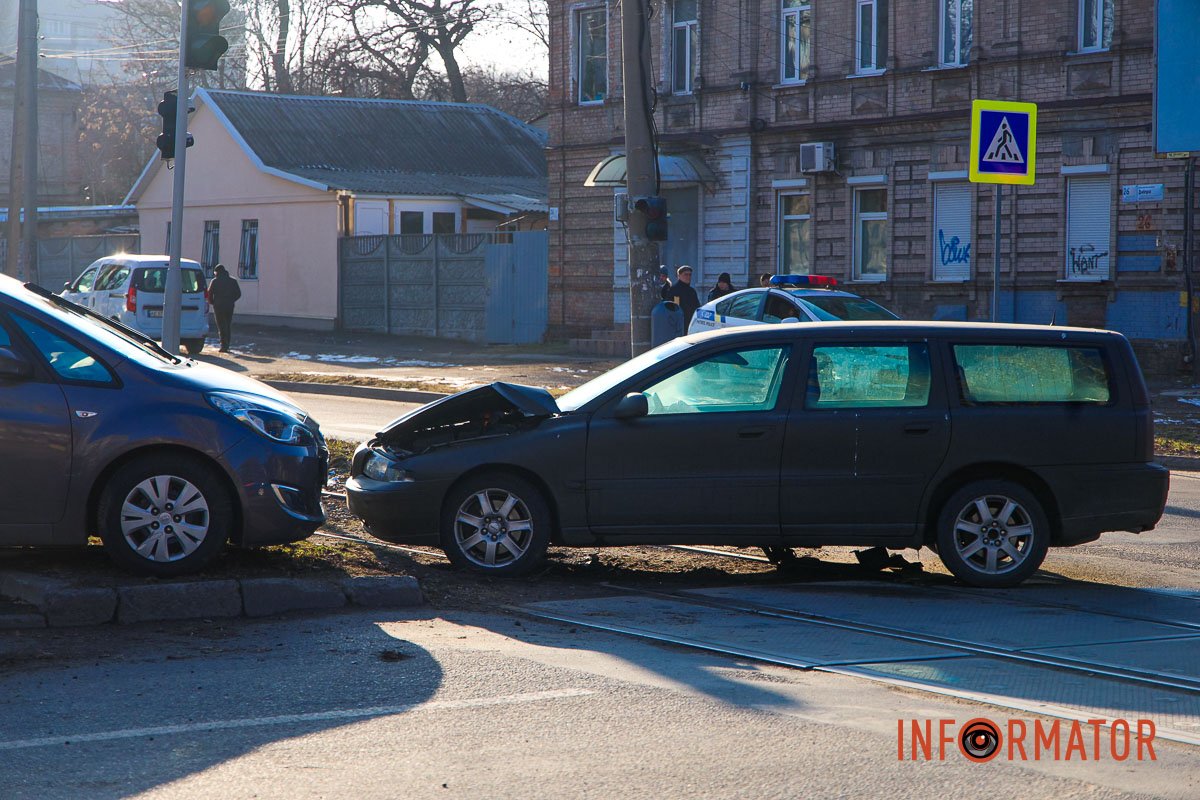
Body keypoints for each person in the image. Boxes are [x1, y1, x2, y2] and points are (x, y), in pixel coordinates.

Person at [208, 264, 242, 353]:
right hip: (229, 306)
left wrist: (213, 302)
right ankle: (227, 344)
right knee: (227, 324)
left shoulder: (215, 281)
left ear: (217, 272)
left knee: (221, 326)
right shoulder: (233, 281)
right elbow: (238, 294)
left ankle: (224, 346)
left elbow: (209, 294)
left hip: (218, 306)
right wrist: (231, 300)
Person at [663, 265, 700, 330]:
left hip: (691, 324)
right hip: (677, 325)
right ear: (679, 276)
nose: (688, 277)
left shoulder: (692, 291)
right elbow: (669, 308)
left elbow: (697, 308)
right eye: (685, 274)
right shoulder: (673, 290)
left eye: (690, 275)